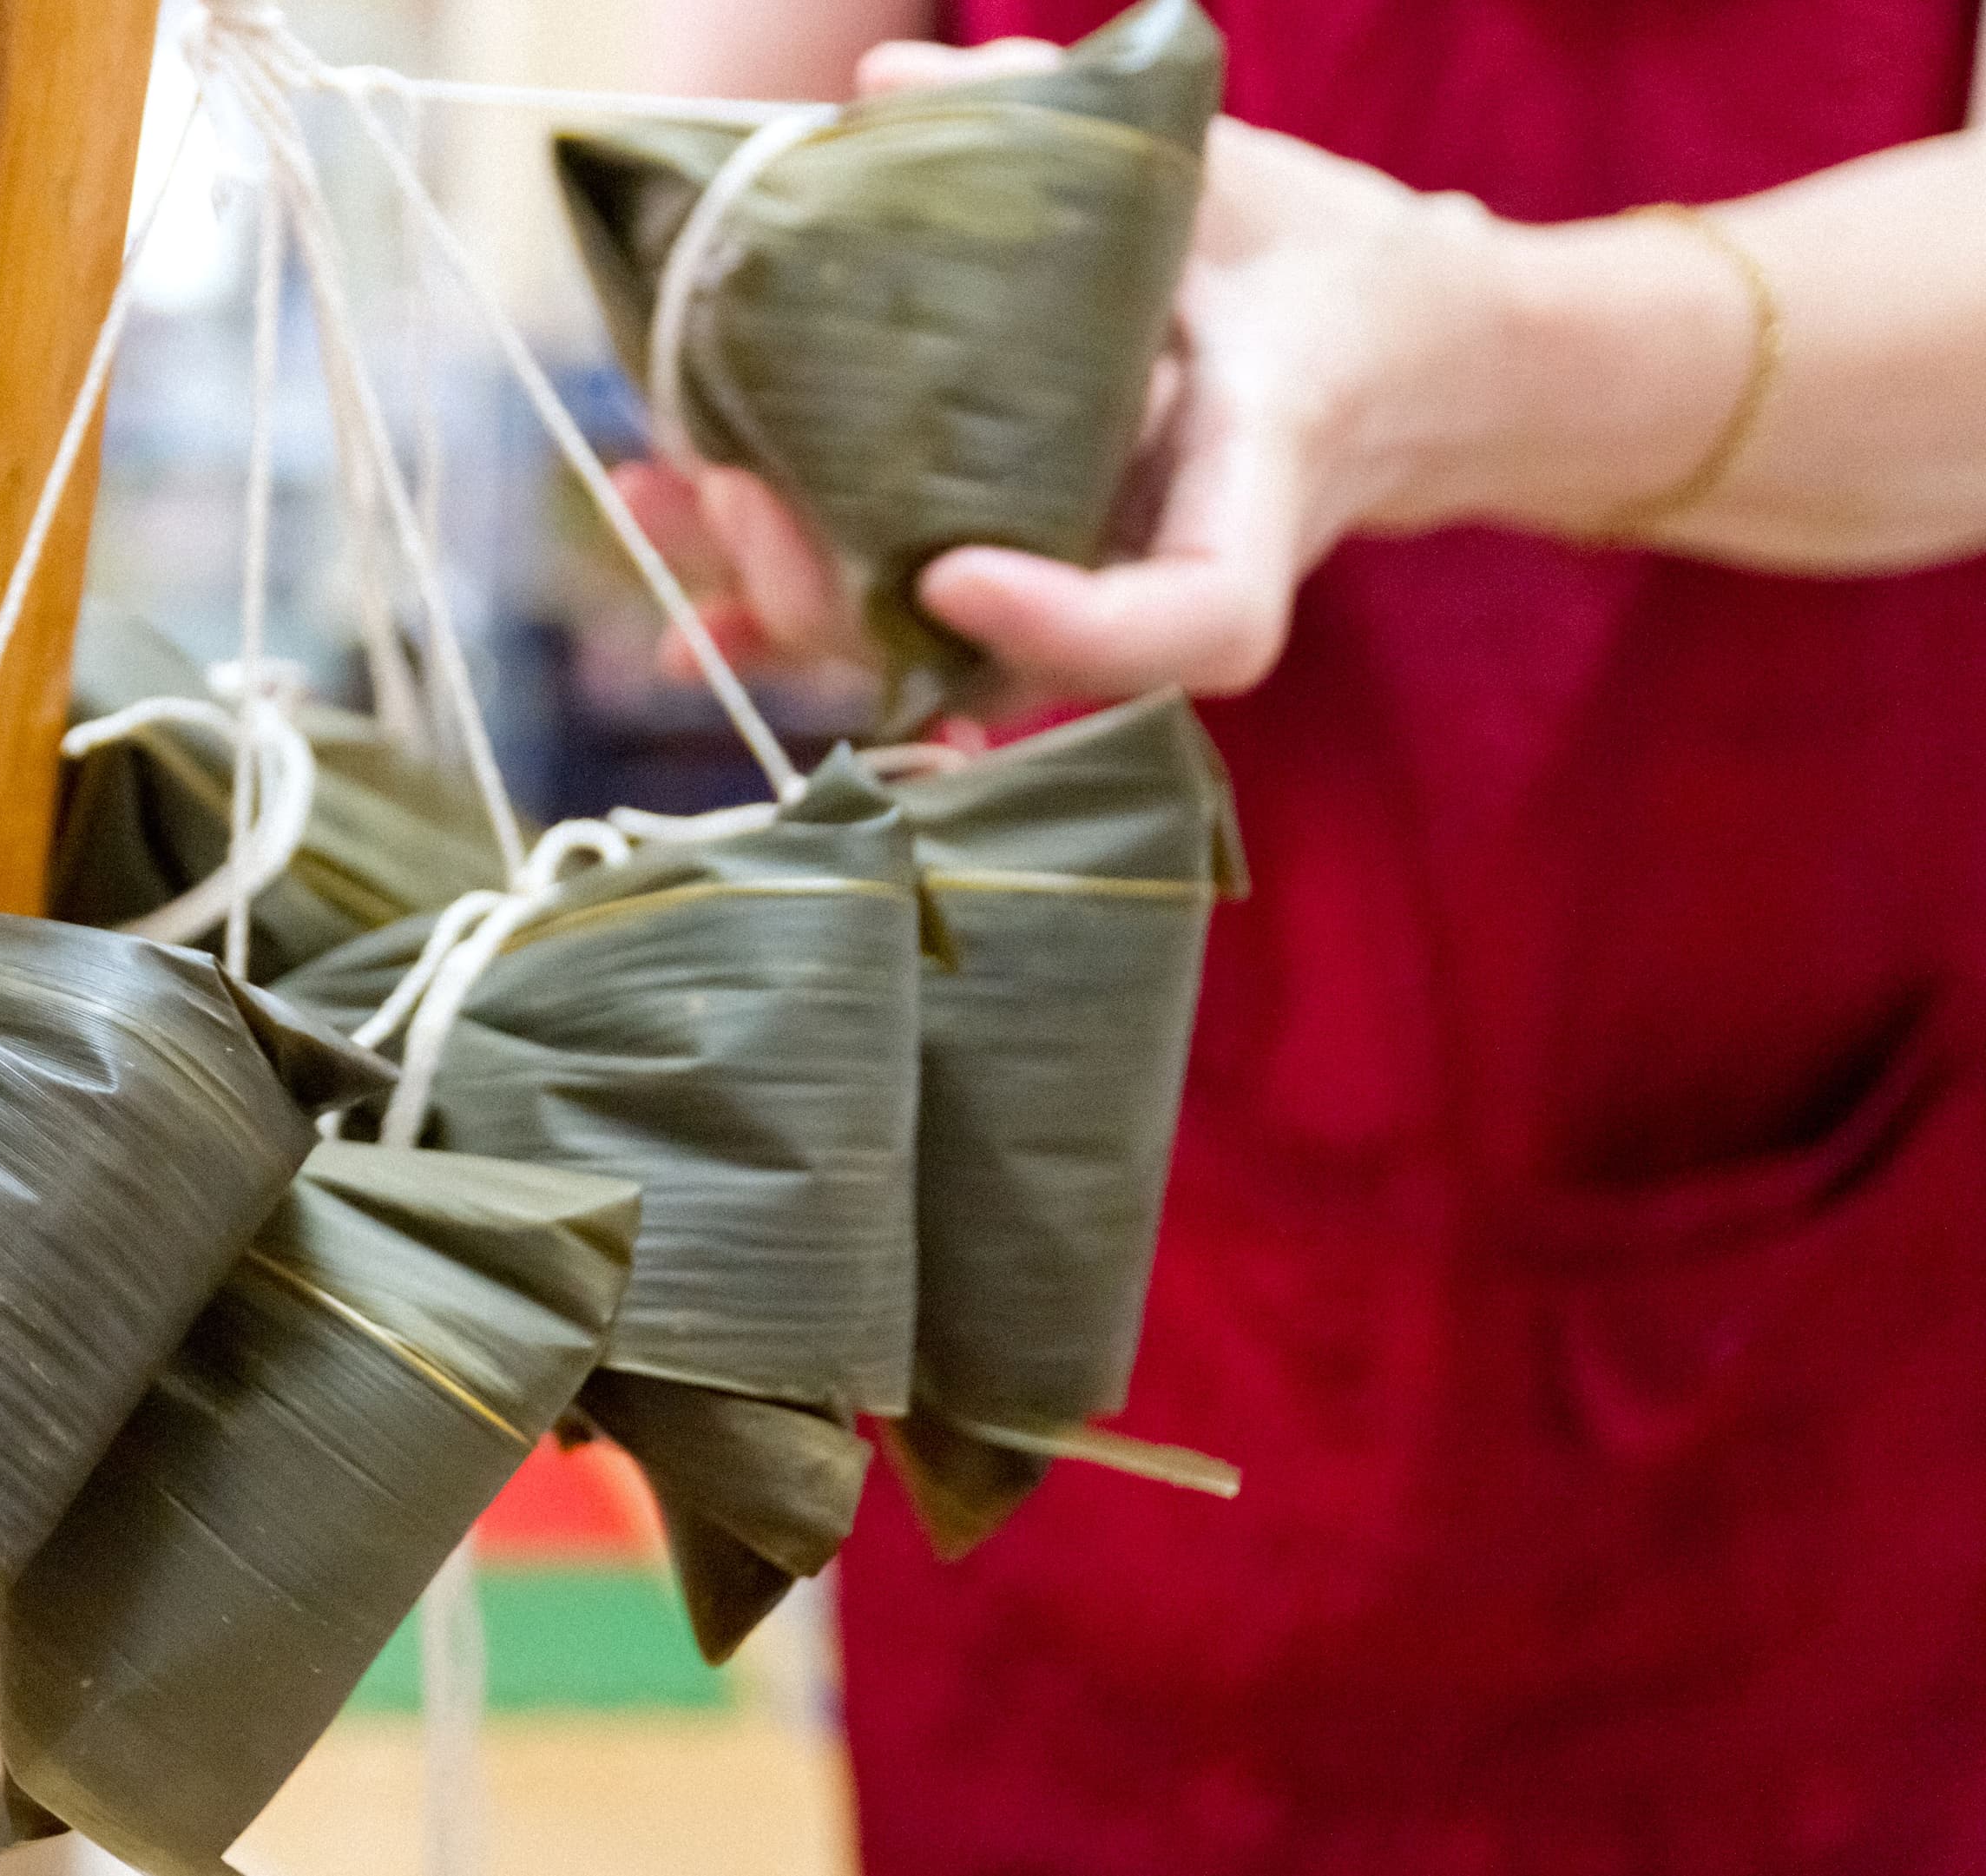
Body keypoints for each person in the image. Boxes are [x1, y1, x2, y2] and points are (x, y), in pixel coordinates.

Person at [623, 3, 1986, 1872]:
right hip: (1084, 1151)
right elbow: (748, 129)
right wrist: (812, 411)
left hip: (1819, 1204)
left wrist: (1485, 356)